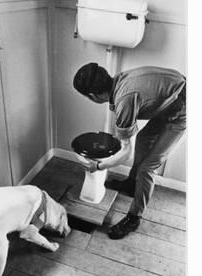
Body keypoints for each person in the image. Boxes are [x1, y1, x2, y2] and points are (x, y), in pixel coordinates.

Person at [73, 62, 186, 240]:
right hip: (171, 100)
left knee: (148, 168)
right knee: (143, 138)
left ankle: (134, 218)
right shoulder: (120, 80)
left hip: (182, 109)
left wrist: (99, 166)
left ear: (93, 96)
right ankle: (132, 183)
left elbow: (127, 152)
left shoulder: (124, 100)